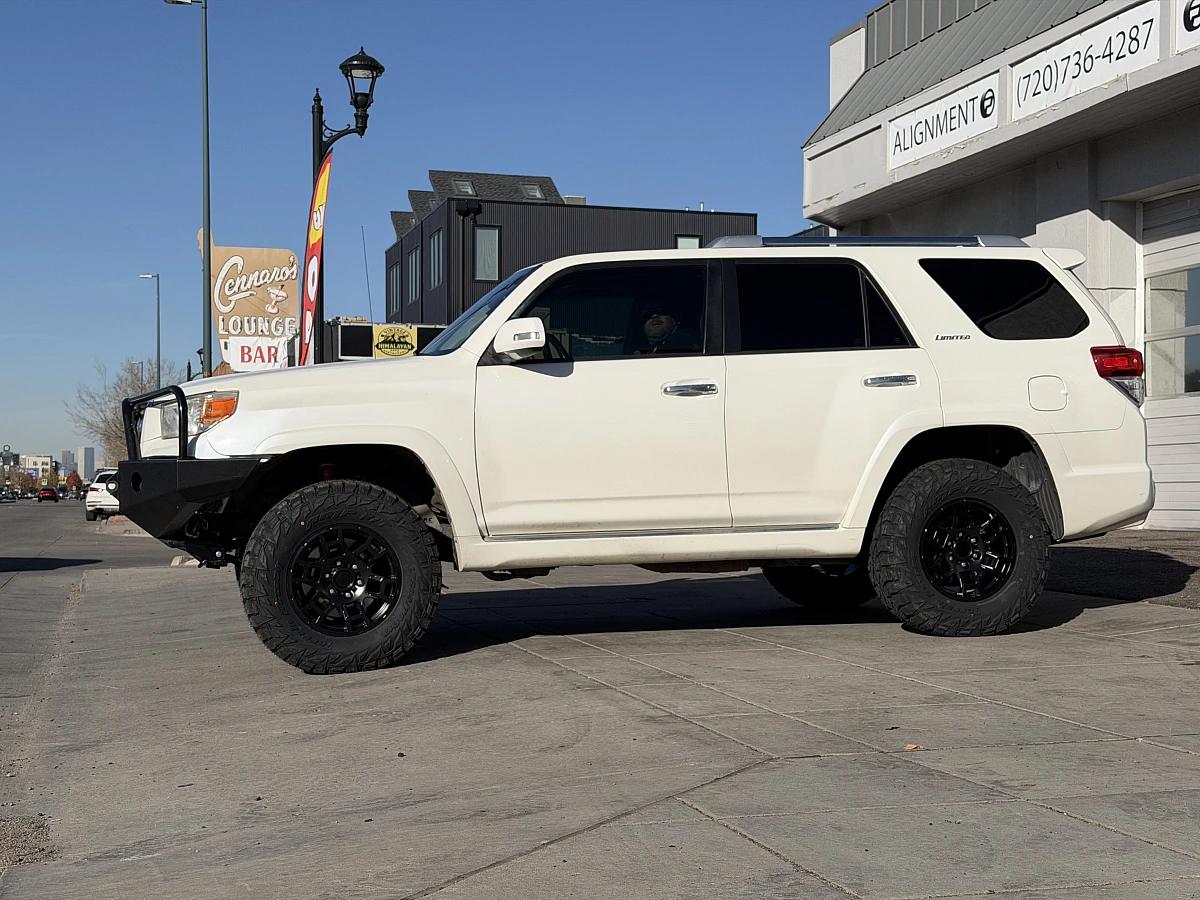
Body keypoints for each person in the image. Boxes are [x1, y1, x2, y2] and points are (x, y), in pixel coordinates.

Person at [636, 301, 701, 354]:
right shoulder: (637, 349)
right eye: (648, 313)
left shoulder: (687, 339)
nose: (654, 316)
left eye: (662, 311)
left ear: (677, 318)